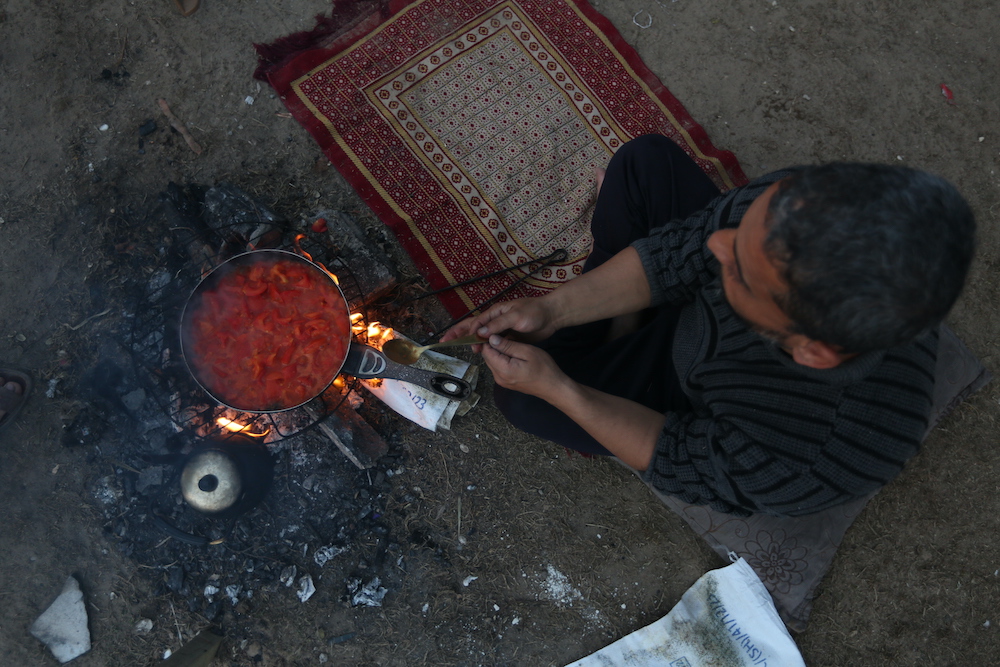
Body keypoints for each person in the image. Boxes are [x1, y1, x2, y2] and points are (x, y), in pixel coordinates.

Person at [442, 134, 976, 517]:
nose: (717, 246)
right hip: (704, 326)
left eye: (739, 270)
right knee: (643, 164)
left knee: (527, 399)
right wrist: (554, 310)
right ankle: (620, 318)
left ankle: (612, 338)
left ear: (813, 351)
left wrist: (560, 389)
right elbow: (683, 250)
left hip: (688, 388)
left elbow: (674, 454)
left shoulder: (808, 456)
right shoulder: (801, 206)